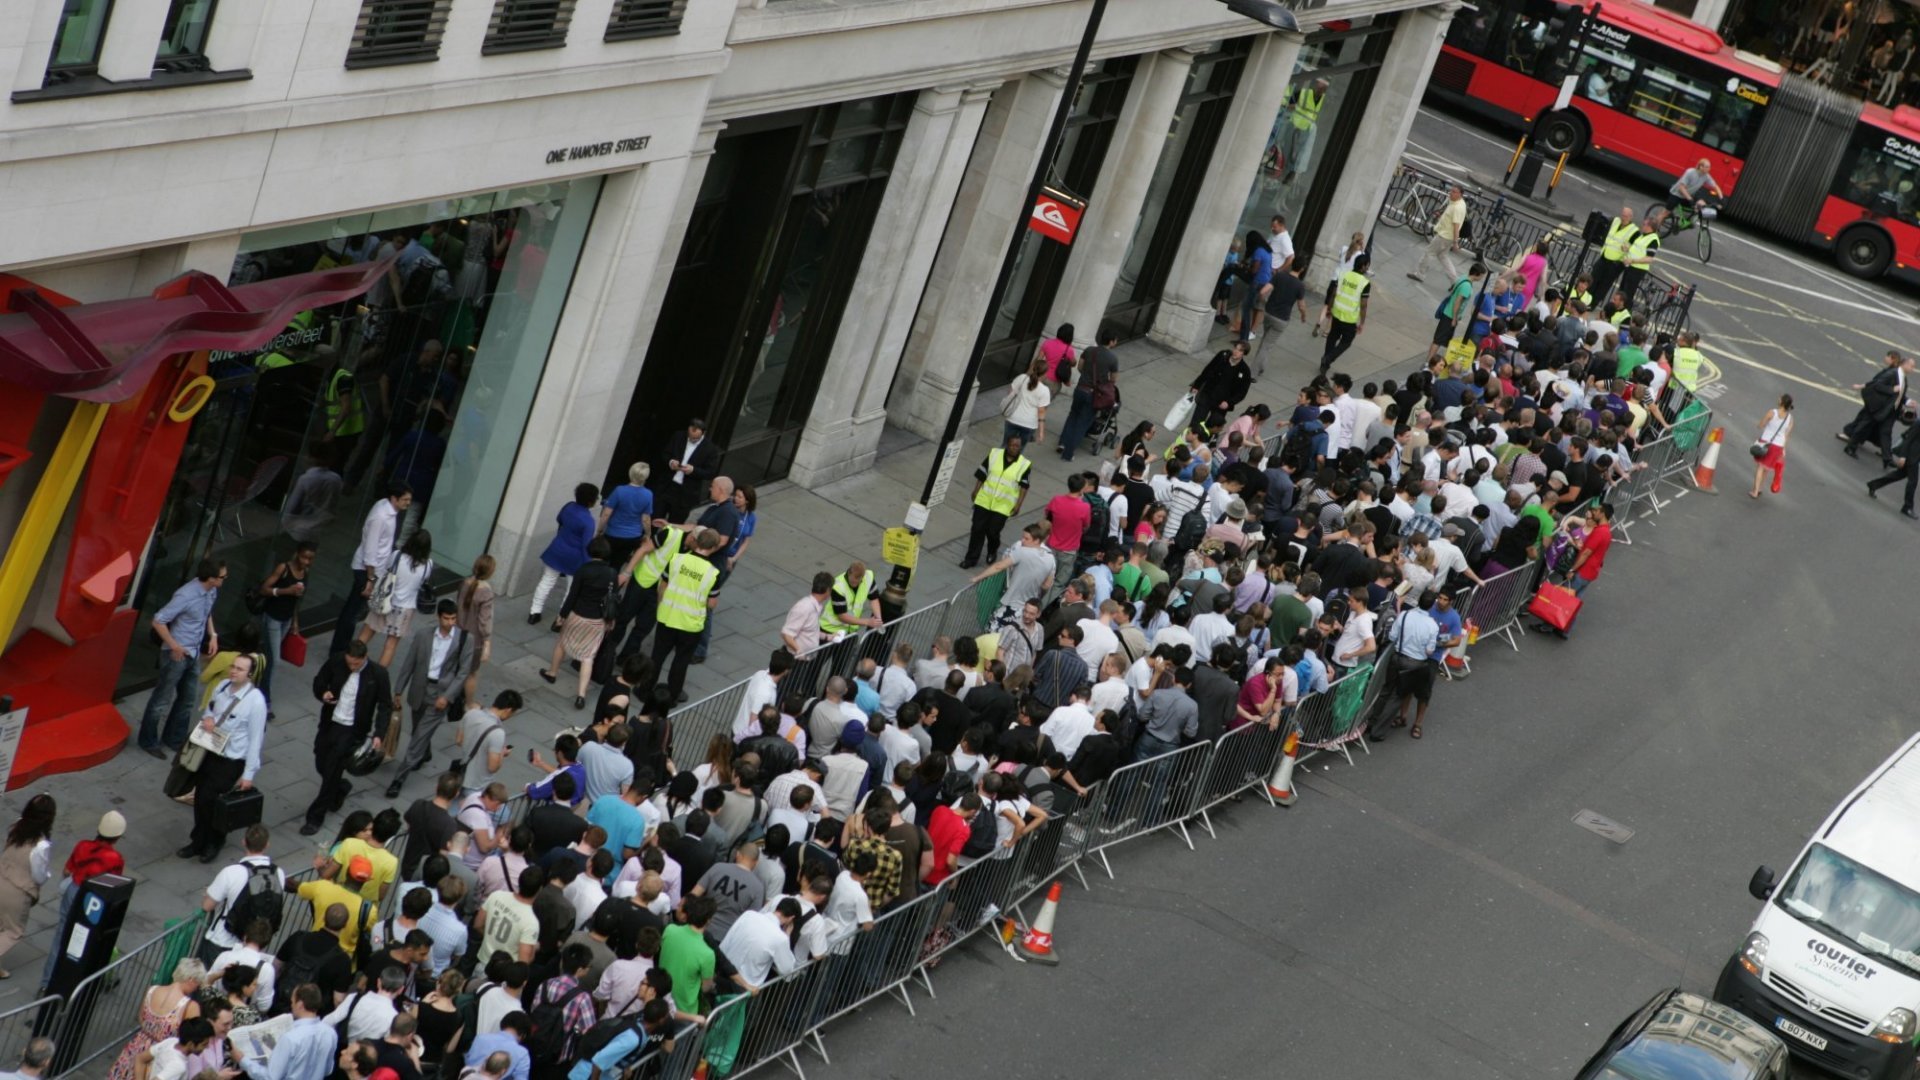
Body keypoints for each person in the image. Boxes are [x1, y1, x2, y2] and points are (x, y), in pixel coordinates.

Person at [181, 654, 269, 863]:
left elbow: (256, 738)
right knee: (202, 798)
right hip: (210, 750)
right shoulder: (222, 686)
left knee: (214, 802)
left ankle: (213, 842)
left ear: (249, 674)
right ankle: (198, 840)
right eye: (233, 667)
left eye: (240, 669)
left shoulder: (256, 701)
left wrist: (248, 774)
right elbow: (210, 710)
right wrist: (208, 719)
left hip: (231, 759)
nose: (234, 671)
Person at [302, 640, 392, 836]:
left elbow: (385, 706)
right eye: (349, 663)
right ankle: (340, 788)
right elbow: (319, 680)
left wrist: (379, 733)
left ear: (364, 658)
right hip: (330, 723)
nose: (352, 667)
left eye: (356, 664)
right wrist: (323, 693)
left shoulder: (378, 674)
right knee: (321, 761)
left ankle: (315, 817)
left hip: (352, 731)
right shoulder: (336, 662)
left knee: (332, 770)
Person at [385, 600, 472, 798]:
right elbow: (410, 662)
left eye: (453, 618)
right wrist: (398, 690)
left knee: (418, 738)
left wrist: (447, 697)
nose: (450, 622)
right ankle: (425, 752)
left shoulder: (465, 639)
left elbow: (463, 673)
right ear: (438, 617)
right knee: (418, 727)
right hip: (419, 688)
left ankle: (398, 779)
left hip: (440, 694)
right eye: (446, 618)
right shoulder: (424, 635)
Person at [139, 559, 225, 757]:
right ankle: (148, 741)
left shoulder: (211, 590)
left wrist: (213, 635)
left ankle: (174, 739)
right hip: (177, 654)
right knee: (162, 699)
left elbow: (207, 612)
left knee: (188, 698)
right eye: (222, 577)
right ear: (211, 578)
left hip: (193, 651)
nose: (224, 579)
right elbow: (159, 620)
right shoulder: (186, 595)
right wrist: (174, 646)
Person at [538, 538, 619, 710]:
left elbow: (572, 595)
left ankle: (552, 673)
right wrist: (611, 620)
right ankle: (581, 695)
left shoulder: (584, 570)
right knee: (588, 656)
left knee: (562, 642)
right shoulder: (612, 574)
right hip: (598, 620)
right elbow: (613, 600)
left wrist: (562, 615)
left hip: (578, 615)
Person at [334, 483, 412, 659]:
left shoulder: (388, 511)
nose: (408, 503)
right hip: (367, 571)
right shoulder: (381, 516)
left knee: (353, 611)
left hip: (374, 570)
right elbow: (370, 550)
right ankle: (339, 650)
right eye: (405, 499)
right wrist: (370, 578)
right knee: (352, 613)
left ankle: (341, 648)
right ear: (394, 498)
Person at [652, 528, 725, 703]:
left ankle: (645, 688)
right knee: (681, 661)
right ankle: (673, 694)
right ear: (714, 547)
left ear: (697, 541)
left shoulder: (677, 559)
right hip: (691, 625)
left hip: (667, 617)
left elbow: (662, 587)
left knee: (657, 655)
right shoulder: (713, 573)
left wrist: (661, 604)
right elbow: (712, 603)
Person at [106, 959, 203, 1080]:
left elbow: (141, 1018)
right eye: (197, 984)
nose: (196, 988)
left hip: (136, 1046)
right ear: (191, 980)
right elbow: (192, 1035)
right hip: (160, 1057)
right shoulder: (191, 1006)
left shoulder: (152, 990)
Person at [529, 483, 600, 628]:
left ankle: (534, 613)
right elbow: (586, 545)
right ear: (590, 501)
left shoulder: (568, 507)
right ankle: (559, 621)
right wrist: (589, 564)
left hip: (557, 549)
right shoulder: (588, 521)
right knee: (571, 590)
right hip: (574, 558)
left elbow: (559, 519)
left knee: (546, 581)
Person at [255, 540, 314, 713]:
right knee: (275, 660)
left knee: (269, 658)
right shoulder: (284, 568)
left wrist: (295, 622)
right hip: (273, 617)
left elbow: (297, 600)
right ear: (297, 554)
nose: (306, 562)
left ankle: (257, 685)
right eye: (304, 557)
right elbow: (264, 589)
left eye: (310, 559)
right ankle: (265, 702)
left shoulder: (305, 573)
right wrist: (284, 591)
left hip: (286, 620)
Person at [0, 794, 54, 979]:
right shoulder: (41, 846)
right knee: (13, 931)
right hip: (18, 891)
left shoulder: (17, 827)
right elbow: (39, 875)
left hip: (1, 877)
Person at [960, 435, 1033, 569]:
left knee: (993, 531)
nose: (1014, 448)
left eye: (1017, 446)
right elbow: (982, 473)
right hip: (984, 499)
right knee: (977, 529)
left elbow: (1024, 487)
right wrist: (976, 490)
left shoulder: (1024, 464)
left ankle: (992, 550)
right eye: (1012, 445)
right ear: (1007, 444)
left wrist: (1018, 504)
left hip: (1003, 505)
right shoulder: (994, 454)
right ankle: (971, 559)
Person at [239, 983, 336, 1080]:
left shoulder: (290, 1038)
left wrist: (242, 1060)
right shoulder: (331, 1033)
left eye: (292, 1002)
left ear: (300, 1005)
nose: (291, 1005)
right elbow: (328, 1070)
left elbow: (270, 1077)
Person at [1843, 351, 1912, 465]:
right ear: (1904, 364)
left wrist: (1907, 401)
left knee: (1885, 433)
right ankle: (1850, 447)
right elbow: (1877, 385)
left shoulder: (1903, 378)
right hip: (1879, 407)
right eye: (1911, 365)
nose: (1912, 368)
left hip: (1889, 411)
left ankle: (1887, 459)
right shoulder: (1892, 373)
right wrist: (1891, 390)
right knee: (1863, 427)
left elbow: (1899, 394)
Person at [457, 693, 523, 797]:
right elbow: (493, 767)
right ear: (508, 710)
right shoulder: (498, 733)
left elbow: (459, 740)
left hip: (461, 775)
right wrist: (501, 753)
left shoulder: (471, 713)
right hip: (477, 785)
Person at [657, 419, 720, 525]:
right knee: (655, 517)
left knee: (675, 525)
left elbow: (710, 472)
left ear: (703, 433)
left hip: (685, 493)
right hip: (667, 486)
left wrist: (693, 470)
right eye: (690, 436)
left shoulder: (710, 449)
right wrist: (671, 462)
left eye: (695, 438)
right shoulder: (678, 436)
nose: (691, 439)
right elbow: (665, 454)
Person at [1318, 253, 1371, 376]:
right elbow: (1363, 305)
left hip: (1337, 313)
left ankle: (1324, 365)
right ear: (1363, 266)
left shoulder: (1343, 274)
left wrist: (1329, 308)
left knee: (1332, 337)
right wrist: (1362, 322)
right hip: (1349, 318)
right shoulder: (1364, 283)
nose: (1367, 268)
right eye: (1367, 265)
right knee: (1346, 342)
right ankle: (1328, 359)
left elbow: (1334, 293)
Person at [455, 556, 497, 707]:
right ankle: (469, 703)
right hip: (474, 640)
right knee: (471, 674)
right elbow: (484, 621)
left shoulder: (464, 583)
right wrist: (487, 642)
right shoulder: (486, 592)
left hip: (457, 632)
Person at [598, 463, 654, 569]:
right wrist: (648, 534)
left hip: (612, 534)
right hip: (632, 536)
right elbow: (645, 519)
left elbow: (606, 513)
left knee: (602, 563)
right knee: (617, 565)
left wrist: (599, 529)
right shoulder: (648, 494)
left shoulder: (619, 490)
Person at [1866, 409, 1920, 518]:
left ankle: (1874, 484)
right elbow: (1908, 440)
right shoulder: (1919, 423)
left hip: (1915, 456)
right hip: (1911, 456)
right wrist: (1903, 456)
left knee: (1898, 475)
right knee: (1913, 482)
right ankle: (1907, 507)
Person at [1189, 343, 1253, 432]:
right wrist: (1197, 385)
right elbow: (1208, 370)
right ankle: (1187, 440)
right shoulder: (1222, 356)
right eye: (1235, 348)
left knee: (1212, 428)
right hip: (1207, 395)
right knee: (1196, 423)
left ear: (1244, 354)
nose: (1235, 351)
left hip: (1221, 404)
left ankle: (1204, 443)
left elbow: (1242, 393)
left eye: (1240, 350)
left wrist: (1229, 402)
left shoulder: (1245, 371)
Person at [1408, 185, 1467, 283]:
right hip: (1447, 237)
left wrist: (1456, 242)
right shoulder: (1459, 203)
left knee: (1429, 253)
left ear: (1460, 194)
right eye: (1451, 191)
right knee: (1443, 257)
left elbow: (1456, 226)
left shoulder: (1457, 207)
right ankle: (1455, 281)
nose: (1451, 193)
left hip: (1444, 236)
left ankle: (1420, 274)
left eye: (1454, 192)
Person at [1749, 394, 1794, 499]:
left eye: (1780, 398)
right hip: (1778, 446)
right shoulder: (1790, 418)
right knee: (1766, 468)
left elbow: (1761, 424)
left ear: (1782, 402)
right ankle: (1760, 488)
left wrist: (1760, 425)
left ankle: (1755, 491)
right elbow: (1786, 435)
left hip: (1767, 442)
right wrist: (1783, 449)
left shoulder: (1772, 412)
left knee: (1760, 467)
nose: (1778, 399)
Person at [1588, 207, 1636, 303]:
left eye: (1626, 216)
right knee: (1593, 278)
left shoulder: (1634, 231)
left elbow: (1633, 247)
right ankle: (1586, 299)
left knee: (1604, 284)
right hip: (1604, 256)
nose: (1623, 218)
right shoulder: (1616, 221)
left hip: (1615, 263)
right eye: (1623, 215)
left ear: (1631, 217)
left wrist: (1628, 248)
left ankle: (1593, 303)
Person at [1002, 355, 1051, 447]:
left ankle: (997, 461)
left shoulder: (1022, 378)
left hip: (1013, 417)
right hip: (1029, 424)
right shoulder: (1044, 390)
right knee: (1018, 450)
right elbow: (1041, 412)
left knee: (1005, 445)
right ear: (1044, 374)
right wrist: (1041, 432)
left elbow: (1010, 393)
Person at [1617, 213, 1663, 304]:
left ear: (1649, 226)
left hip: (1637, 270)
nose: (1642, 226)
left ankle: (1625, 313)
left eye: (1644, 224)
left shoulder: (1653, 240)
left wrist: (1633, 260)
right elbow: (1637, 249)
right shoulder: (1643, 236)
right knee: (1622, 291)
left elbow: (1649, 258)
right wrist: (1627, 249)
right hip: (1630, 266)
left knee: (1627, 294)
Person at [1668, 158, 1723, 223]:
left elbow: (1715, 186)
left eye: (1709, 167)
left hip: (1689, 194)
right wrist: (1690, 199)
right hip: (1677, 193)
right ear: (1701, 167)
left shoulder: (1706, 176)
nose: (1709, 169)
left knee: (1701, 205)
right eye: (1707, 167)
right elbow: (1681, 187)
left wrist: (1721, 199)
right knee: (1665, 213)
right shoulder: (1690, 172)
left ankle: (1685, 219)